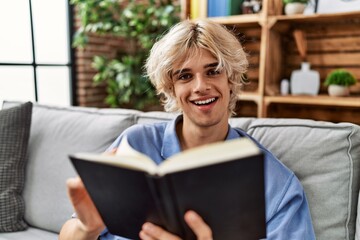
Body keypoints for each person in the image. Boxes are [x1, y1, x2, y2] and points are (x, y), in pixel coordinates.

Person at [59, 19, 315, 240]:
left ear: (232, 79)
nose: (200, 86)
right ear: (171, 88)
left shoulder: (277, 184)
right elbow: (70, 232)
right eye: (184, 76)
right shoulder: (133, 144)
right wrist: (86, 228)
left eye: (213, 71)